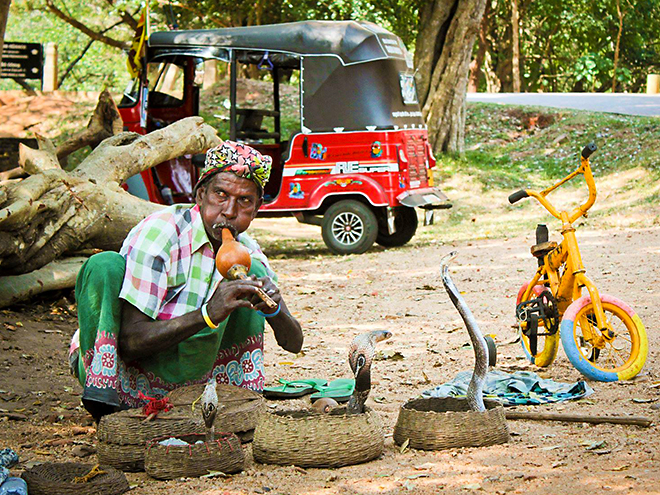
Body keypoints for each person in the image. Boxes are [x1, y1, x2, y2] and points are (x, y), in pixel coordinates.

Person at [69, 141, 303, 419]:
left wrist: (274, 309)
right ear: (201, 195)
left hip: (191, 374)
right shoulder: (161, 233)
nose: (229, 211)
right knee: (104, 265)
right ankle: (108, 399)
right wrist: (208, 314)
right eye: (220, 194)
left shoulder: (249, 253)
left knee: (256, 279)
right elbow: (130, 342)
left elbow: (294, 343)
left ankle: (233, 400)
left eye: (244, 201)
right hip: (132, 369)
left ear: (256, 209)